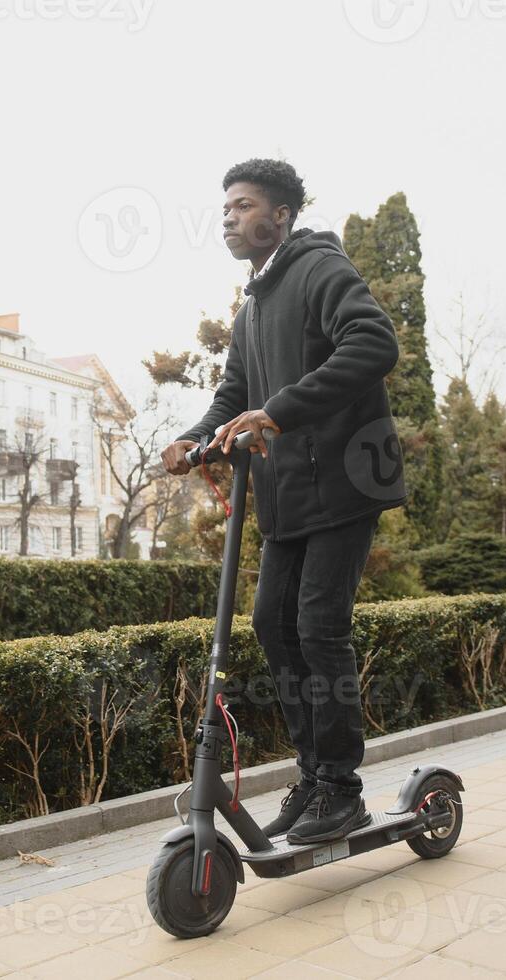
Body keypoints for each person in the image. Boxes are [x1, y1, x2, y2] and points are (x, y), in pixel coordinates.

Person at [161, 159, 405, 845]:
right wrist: (193, 437)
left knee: (319, 627)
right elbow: (233, 396)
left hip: (343, 483)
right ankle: (314, 775)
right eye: (226, 210)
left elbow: (373, 343)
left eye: (243, 206)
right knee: (273, 625)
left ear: (282, 215)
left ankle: (343, 789)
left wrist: (280, 411)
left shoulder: (319, 269)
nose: (230, 218)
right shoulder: (253, 308)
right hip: (285, 496)